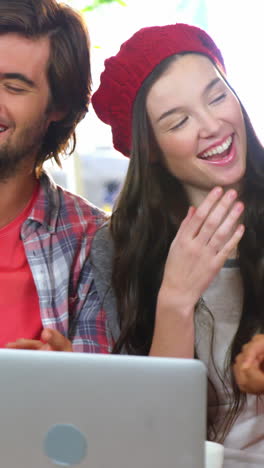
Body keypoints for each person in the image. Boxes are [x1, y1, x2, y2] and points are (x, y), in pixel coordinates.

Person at [89, 23, 264, 467]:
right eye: (179, 121)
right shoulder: (117, 247)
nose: (212, 125)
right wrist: (176, 300)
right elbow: (151, 436)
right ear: (149, 149)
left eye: (217, 95)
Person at [0, 0, 109, 353]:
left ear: (58, 107)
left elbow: (109, 396)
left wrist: (69, 378)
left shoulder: (95, 244)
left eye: (13, 87)